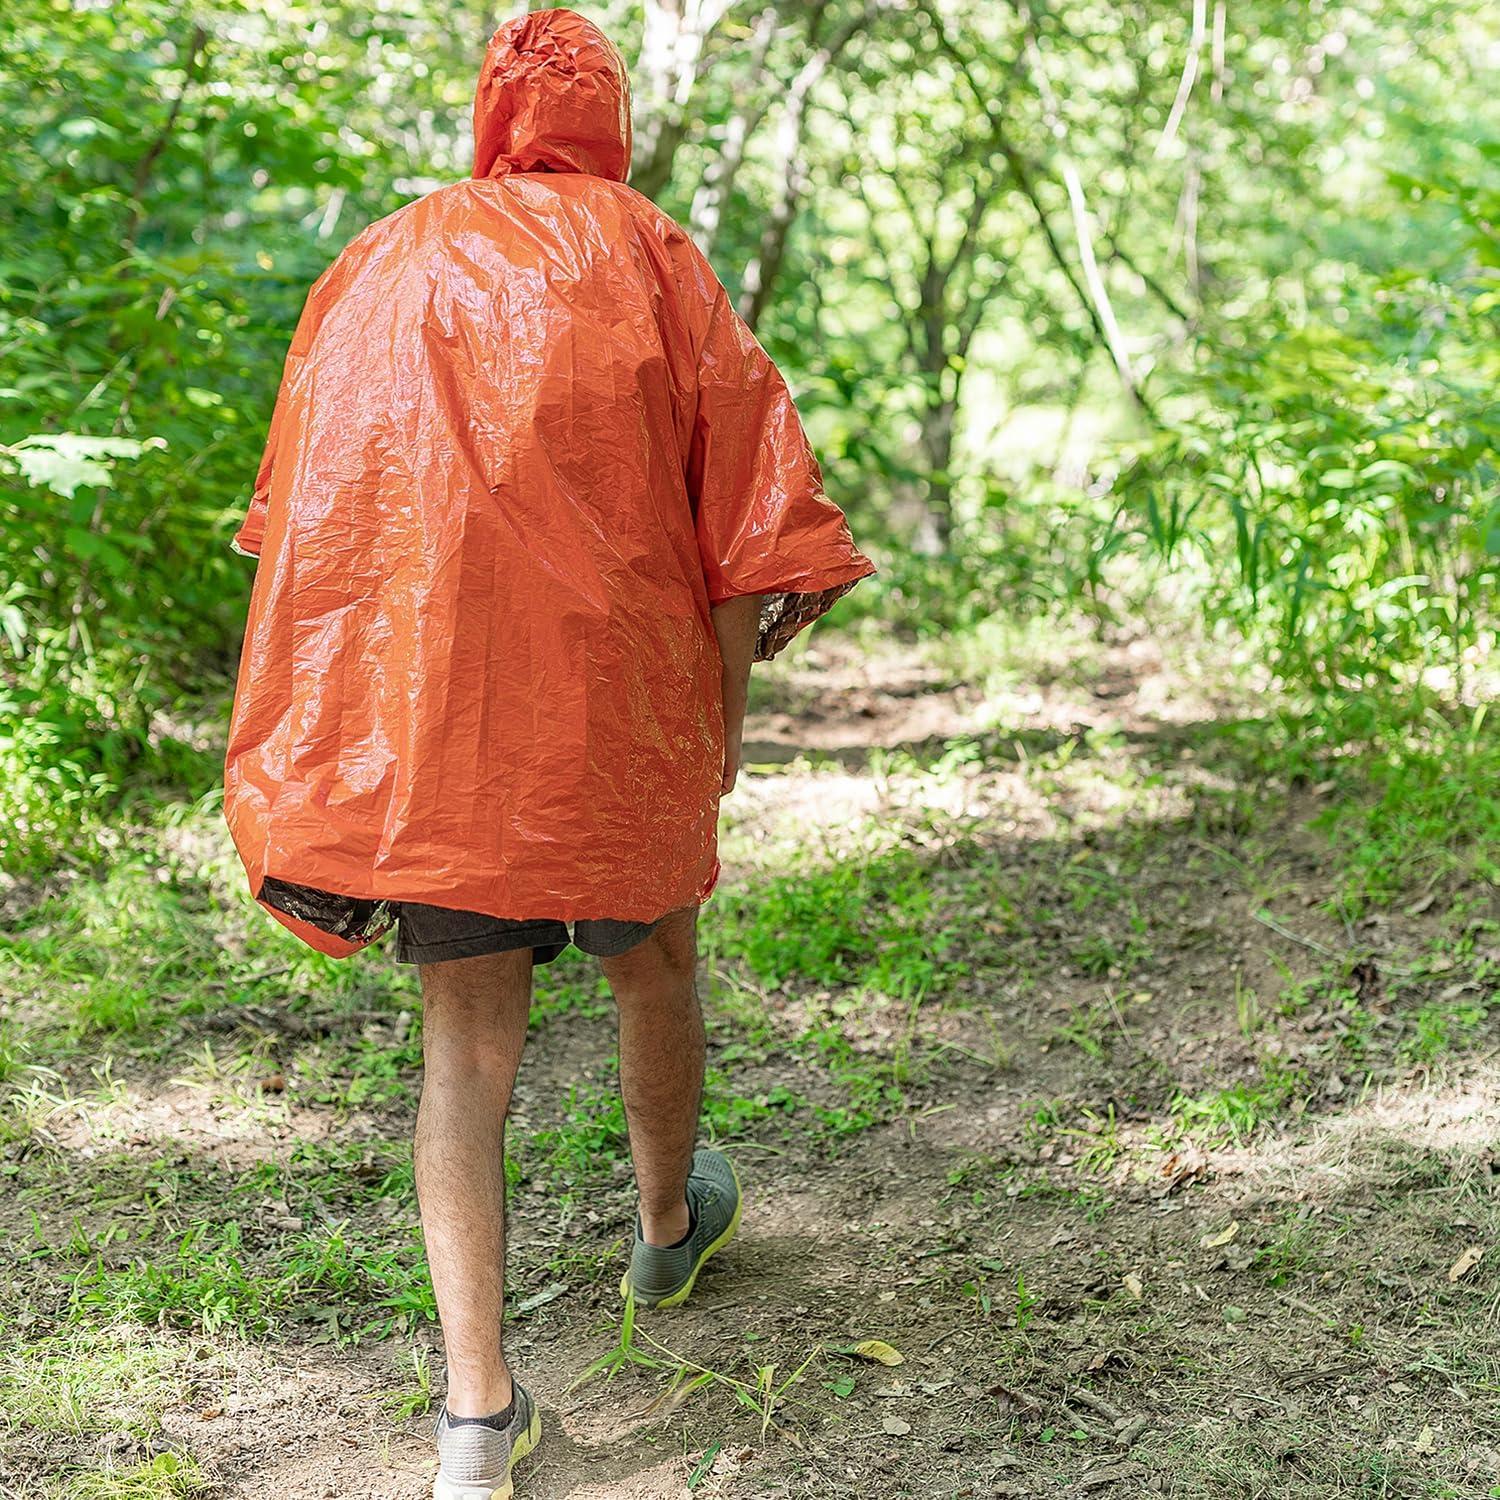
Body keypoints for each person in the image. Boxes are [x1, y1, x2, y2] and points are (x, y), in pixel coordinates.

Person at [223, 9, 873, 1497]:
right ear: (612, 125)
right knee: (656, 964)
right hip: (617, 721)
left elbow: (314, 529)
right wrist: (714, 735)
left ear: (488, 115)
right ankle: (663, 1231)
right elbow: (743, 531)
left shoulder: (380, 265)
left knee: (467, 1044)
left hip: (448, 731)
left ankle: (474, 1419)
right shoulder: (656, 259)